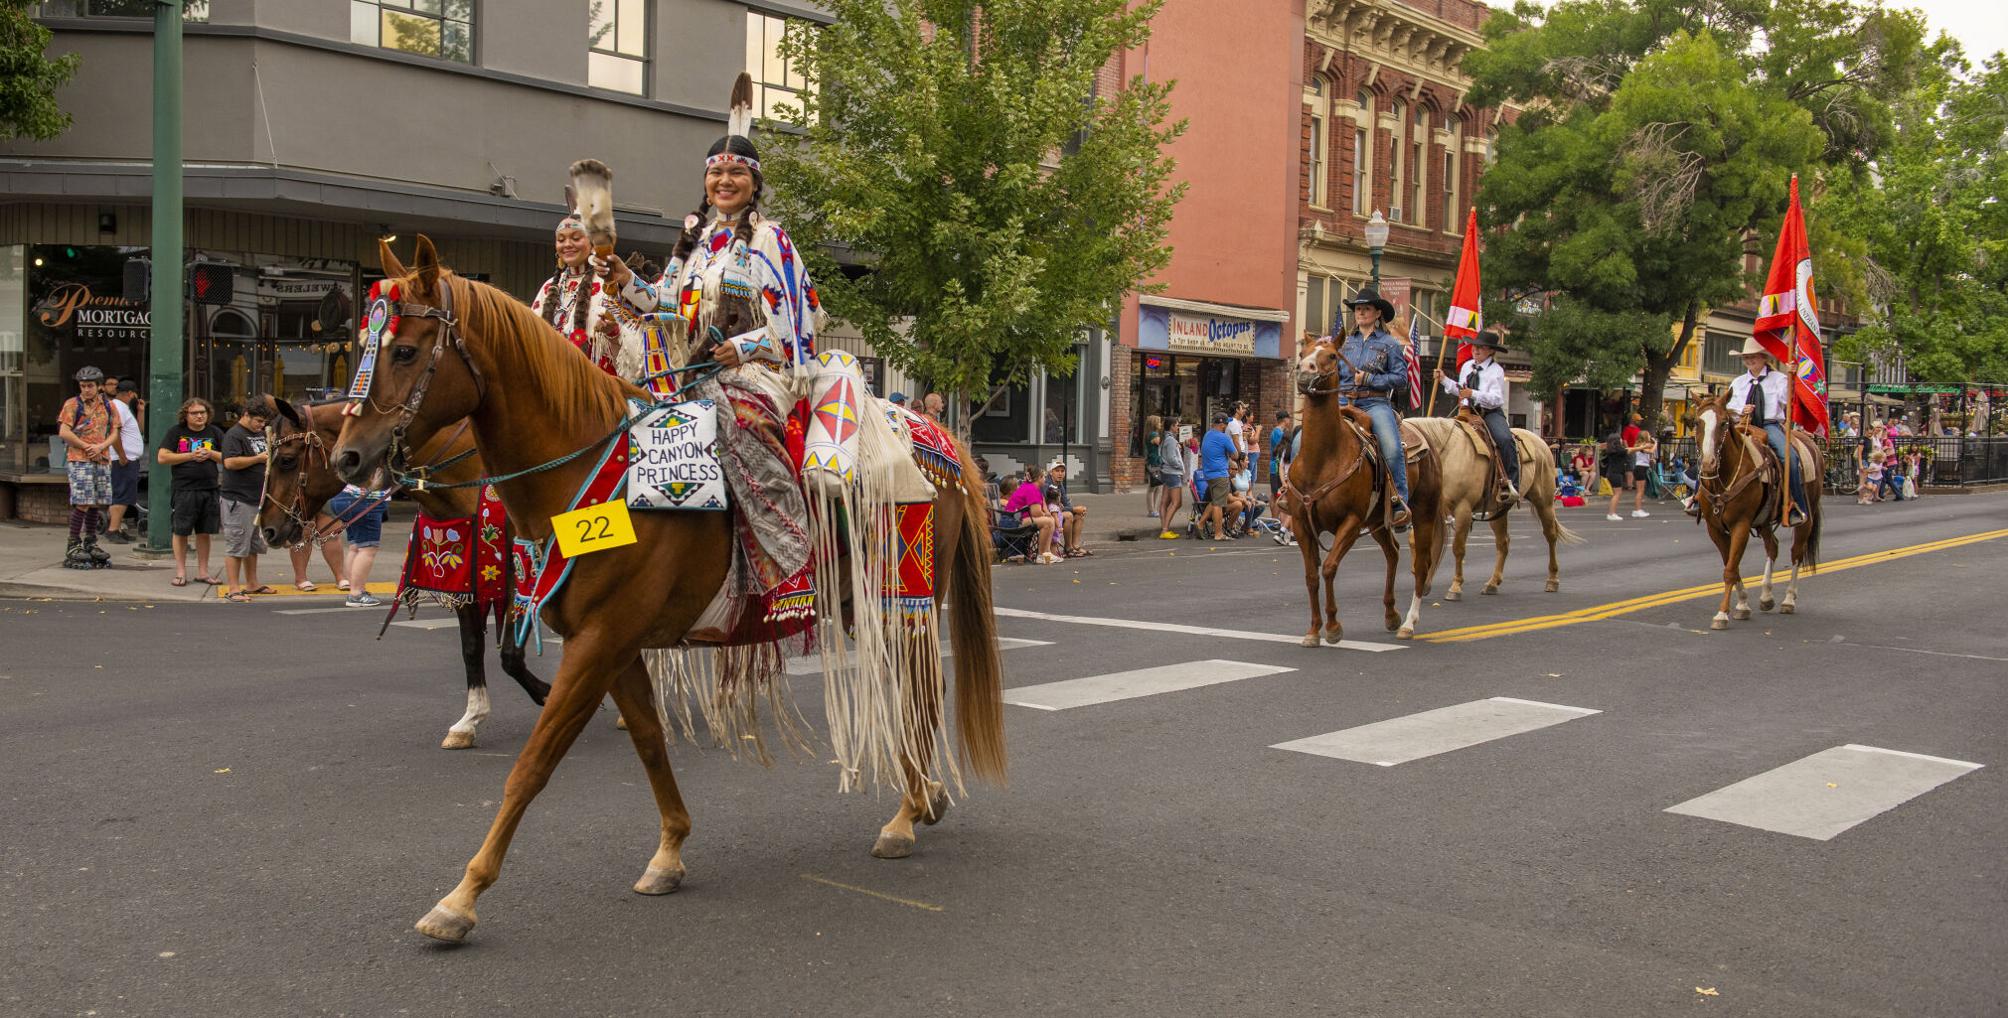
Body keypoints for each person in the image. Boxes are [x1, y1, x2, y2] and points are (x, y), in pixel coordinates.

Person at [1335, 288, 1411, 530]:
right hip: (1342, 401)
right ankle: (1294, 493)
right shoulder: (1344, 342)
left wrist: (1369, 379)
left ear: (1377, 313)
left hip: (1374, 402)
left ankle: (1399, 502)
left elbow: (1401, 378)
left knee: (1391, 446)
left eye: (1366, 308)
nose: (1361, 312)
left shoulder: (1389, 344)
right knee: (1304, 437)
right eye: (1358, 309)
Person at [531, 212, 641, 377]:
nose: (567, 244)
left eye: (576, 238)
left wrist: (612, 333)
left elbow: (635, 352)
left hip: (598, 387)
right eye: (561, 240)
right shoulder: (548, 287)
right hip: (549, 381)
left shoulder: (610, 284)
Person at [1720, 338, 1808, 526]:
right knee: (1714, 447)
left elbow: (1788, 400)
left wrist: (1793, 378)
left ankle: (1795, 504)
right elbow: (1730, 407)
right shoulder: (1738, 382)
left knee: (1789, 458)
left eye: (1753, 357)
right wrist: (1741, 410)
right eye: (1746, 358)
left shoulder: (1779, 379)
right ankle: (1697, 497)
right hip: (1742, 424)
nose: (1750, 361)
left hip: (1768, 425)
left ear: (1763, 358)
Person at [1438, 329, 1519, 507]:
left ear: (1491, 351)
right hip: (1467, 411)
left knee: (1505, 439)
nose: (1475, 351)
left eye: (1481, 348)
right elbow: (1460, 389)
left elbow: (1496, 398)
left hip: (1489, 413)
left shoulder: (1496, 370)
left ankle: (1511, 483)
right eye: (1474, 347)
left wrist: (1473, 393)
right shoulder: (1467, 366)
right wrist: (1444, 380)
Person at [158, 398, 224, 587]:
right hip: (184, 489)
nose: (199, 416)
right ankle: (180, 572)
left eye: (203, 412)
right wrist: (190, 455)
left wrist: (211, 454)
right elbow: (162, 457)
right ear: (186, 415)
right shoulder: (176, 432)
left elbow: (229, 457)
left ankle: (203, 572)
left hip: (210, 488)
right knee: (181, 531)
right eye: (194, 413)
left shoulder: (215, 432)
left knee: (205, 532)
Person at [57, 366, 117, 569]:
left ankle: (91, 542)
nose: (86, 389)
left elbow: (114, 432)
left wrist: (101, 446)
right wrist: (86, 447)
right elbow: (64, 432)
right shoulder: (72, 405)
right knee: (82, 500)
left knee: (97, 502)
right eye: (83, 386)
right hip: (79, 458)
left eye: (90, 386)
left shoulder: (108, 406)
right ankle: (73, 543)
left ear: (99, 387)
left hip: (102, 458)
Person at [218, 398, 276, 602]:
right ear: (245, 415)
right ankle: (233, 588)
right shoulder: (234, 435)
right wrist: (258, 459)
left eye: (264, 422)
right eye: (258, 421)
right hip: (238, 498)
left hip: (256, 497)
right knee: (236, 544)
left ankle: (252, 583)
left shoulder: (259, 434)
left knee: (252, 545)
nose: (261, 425)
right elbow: (230, 462)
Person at [326, 483, 390, 608]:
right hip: (367, 499)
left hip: (344, 496)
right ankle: (356, 594)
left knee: (355, 547)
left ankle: (357, 589)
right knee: (368, 549)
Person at [102, 380, 145, 543]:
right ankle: (113, 529)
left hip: (129, 458)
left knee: (125, 494)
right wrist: (122, 455)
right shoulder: (117, 407)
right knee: (121, 494)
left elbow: (139, 431)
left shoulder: (125, 409)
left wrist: (140, 411)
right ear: (130, 393)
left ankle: (117, 528)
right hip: (122, 459)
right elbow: (114, 434)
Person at [1001, 463, 1059, 564]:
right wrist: (1046, 515)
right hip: (1013, 522)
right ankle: (1041, 555)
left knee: (1049, 520)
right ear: (1038, 478)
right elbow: (1036, 513)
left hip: (1015, 519)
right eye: (1044, 476)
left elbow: (1041, 506)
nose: (1045, 479)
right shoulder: (1031, 489)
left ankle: (1047, 553)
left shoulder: (1031, 487)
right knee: (1048, 522)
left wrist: (1047, 514)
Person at [1196, 414, 1237, 540]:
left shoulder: (1207, 435)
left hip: (1208, 474)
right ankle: (1218, 533)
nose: (1227, 426)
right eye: (1226, 424)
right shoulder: (1224, 438)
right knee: (1218, 504)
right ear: (1222, 424)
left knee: (1214, 501)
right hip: (1220, 474)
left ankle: (1201, 523)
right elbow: (1235, 455)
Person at [1045, 461, 1090, 557]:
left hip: (1057, 511)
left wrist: (1075, 509)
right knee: (1069, 515)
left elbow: (1065, 503)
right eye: (1057, 471)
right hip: (1048, 513)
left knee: (1079, 515)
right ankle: (1068, 548)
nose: (1060, 473)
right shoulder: (1047, 484)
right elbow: (1049, 505)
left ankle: (1075, 546)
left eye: (1062, 471)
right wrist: (1073, 509)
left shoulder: (1060, 484)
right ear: (1051, 472)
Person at [1156, 421, 1186, 539]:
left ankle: (1164, 528)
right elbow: (1171, 458)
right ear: (1172, 426)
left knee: (1164, 502)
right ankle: (1165, 530)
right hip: (1173, 473)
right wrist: (1180, 465)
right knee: (1176, 502)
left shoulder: (1165, 439)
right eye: (1177, 425)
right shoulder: (1171, 440)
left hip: (1165, 472)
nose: (1178, 427)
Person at [1142, 414, 1164, 518]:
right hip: (1154, 462)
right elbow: (1162, 443)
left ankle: (1154, 509)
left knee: (1158, 487)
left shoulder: (1151, 434)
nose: (1161, 424)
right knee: (1153, 486)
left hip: (1155, 462)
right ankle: (1151, 510)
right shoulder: (1153, 434)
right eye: (1159, 422)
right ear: (1154, 423)